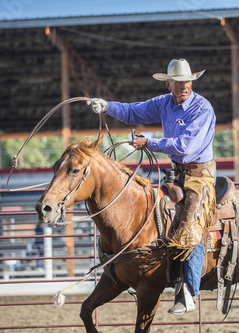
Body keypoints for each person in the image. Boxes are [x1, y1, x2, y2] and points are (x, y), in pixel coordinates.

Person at [89, 58, 216, 315]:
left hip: (200, 176)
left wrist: (150, 143)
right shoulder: (163, 103)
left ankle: (189, 291)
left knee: (190, 224)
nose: (184, 86)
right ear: (168, 84)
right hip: (176, 174)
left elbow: (186, 146)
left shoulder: (202, 109)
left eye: (187, 81)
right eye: (178, 82)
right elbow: (133, 111)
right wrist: (107, 106)